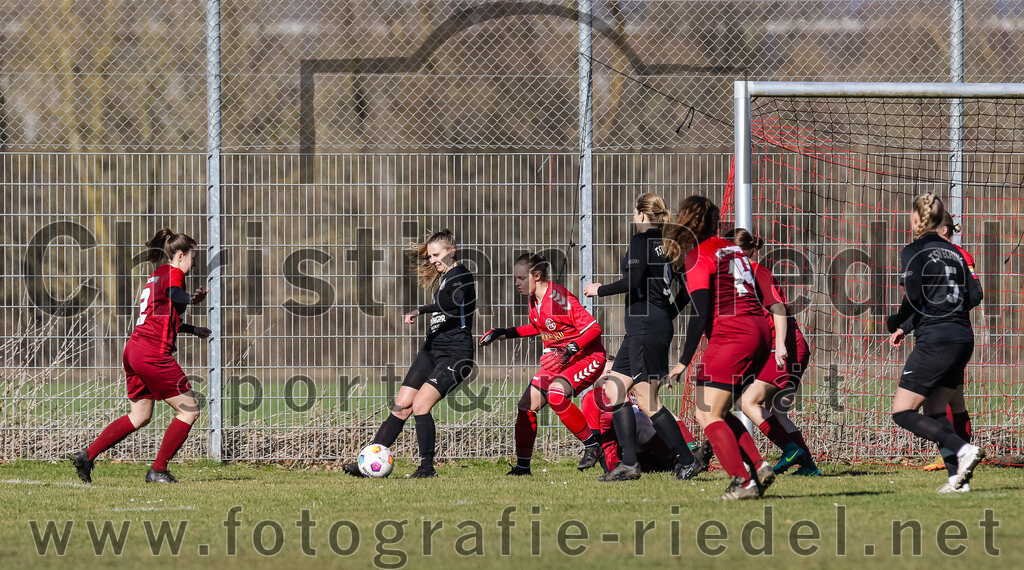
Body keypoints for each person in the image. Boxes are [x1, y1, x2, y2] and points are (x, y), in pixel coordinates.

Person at [72, 229, 211, 484]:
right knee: (189, 411)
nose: (194, 264)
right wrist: (191, 298)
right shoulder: (173, 274)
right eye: (193, 258)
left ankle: (87, 456)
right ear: (180, 255)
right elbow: (175, 296)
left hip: (134, 349)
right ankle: (158, 470)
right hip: (151, 353)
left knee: (140, 416)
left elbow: (162, 316)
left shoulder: (157, 275)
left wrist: (192, 329)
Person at [582, 193, 700, 481]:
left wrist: (600, 290)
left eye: (635, 212)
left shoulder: (640, 241)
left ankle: (686, 459)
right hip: (648, 327)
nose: (634, 217)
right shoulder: (671, 245)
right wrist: (666, 314)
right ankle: (630, 462)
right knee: (615, 389)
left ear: (642, 215)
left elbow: (633, 281)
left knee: (646, 400)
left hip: (644, 329)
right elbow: (686, 291)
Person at [664, 196, 775, 500]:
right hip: (760, 331)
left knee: (705, 411)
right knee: (720, 410)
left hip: (733, 334)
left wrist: (683, 360)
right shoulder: (734, 249)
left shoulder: (699, 255)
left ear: (688, 220)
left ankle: (742, 481)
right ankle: (758, 465)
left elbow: (700, 312)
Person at [343, 230, 475, 478]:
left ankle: (427, 469)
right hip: (431, 350)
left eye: (436, 254)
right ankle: (368, 464)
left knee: (420, 405)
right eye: (430, 256)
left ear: (451, 252)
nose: (433, 260)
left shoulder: (462, 275)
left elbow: (453, 303)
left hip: (456, 355)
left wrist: (420, 310)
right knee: (401, 406)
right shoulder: (443, 278)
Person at [886, 199, 985, 492]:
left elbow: (914, 295)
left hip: (936, 340)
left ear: (917, 220)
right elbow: (973, 296)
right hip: (963, 337)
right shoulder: (955, 251)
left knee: (902, 412)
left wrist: (898, 321)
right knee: (937, 409)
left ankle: (962, 449)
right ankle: (957, 481)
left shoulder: (913, 250)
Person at [480, 253, 606, 476]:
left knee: (557, 395)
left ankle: (592, 446)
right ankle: (522, 467)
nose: (516, 283)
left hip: (587, 357)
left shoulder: (559, 298)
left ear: (536, 276)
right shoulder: (534, 299)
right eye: (515, 278)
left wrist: (568, 350)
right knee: (526, 406)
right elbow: (540, 327)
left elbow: (594, 328)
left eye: (520, 278)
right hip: (561, 361)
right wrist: (504, 333)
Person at [725, 228, 819, 477]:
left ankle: (790, 450)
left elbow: (778, 308)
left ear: (744, 251)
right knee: (777, 411)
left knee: (747, 402)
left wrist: (779, 344)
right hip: (789, 349)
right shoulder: (742, 278)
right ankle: (808, 466)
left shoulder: (757, 272)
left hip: (786, 349)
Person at [920, 213, 976, 474]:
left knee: (932, 399)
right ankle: (961, 455)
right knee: (955, 399)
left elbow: (975, 295)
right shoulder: (944, 255)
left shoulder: (951, 255)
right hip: (951, 334)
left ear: (942, 230)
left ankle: (956, 455)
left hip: (944, 334)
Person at [580, 380, 706, 475]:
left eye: (611, 372)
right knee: (640, 419)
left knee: (661, 412)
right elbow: (595, 438)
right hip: (625, 456)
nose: (609, 378)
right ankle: (678, 462)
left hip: (652, 450)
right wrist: (608, 466)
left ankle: (692, 455)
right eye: (605, 374)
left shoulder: (631, 393)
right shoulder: (593, 397)